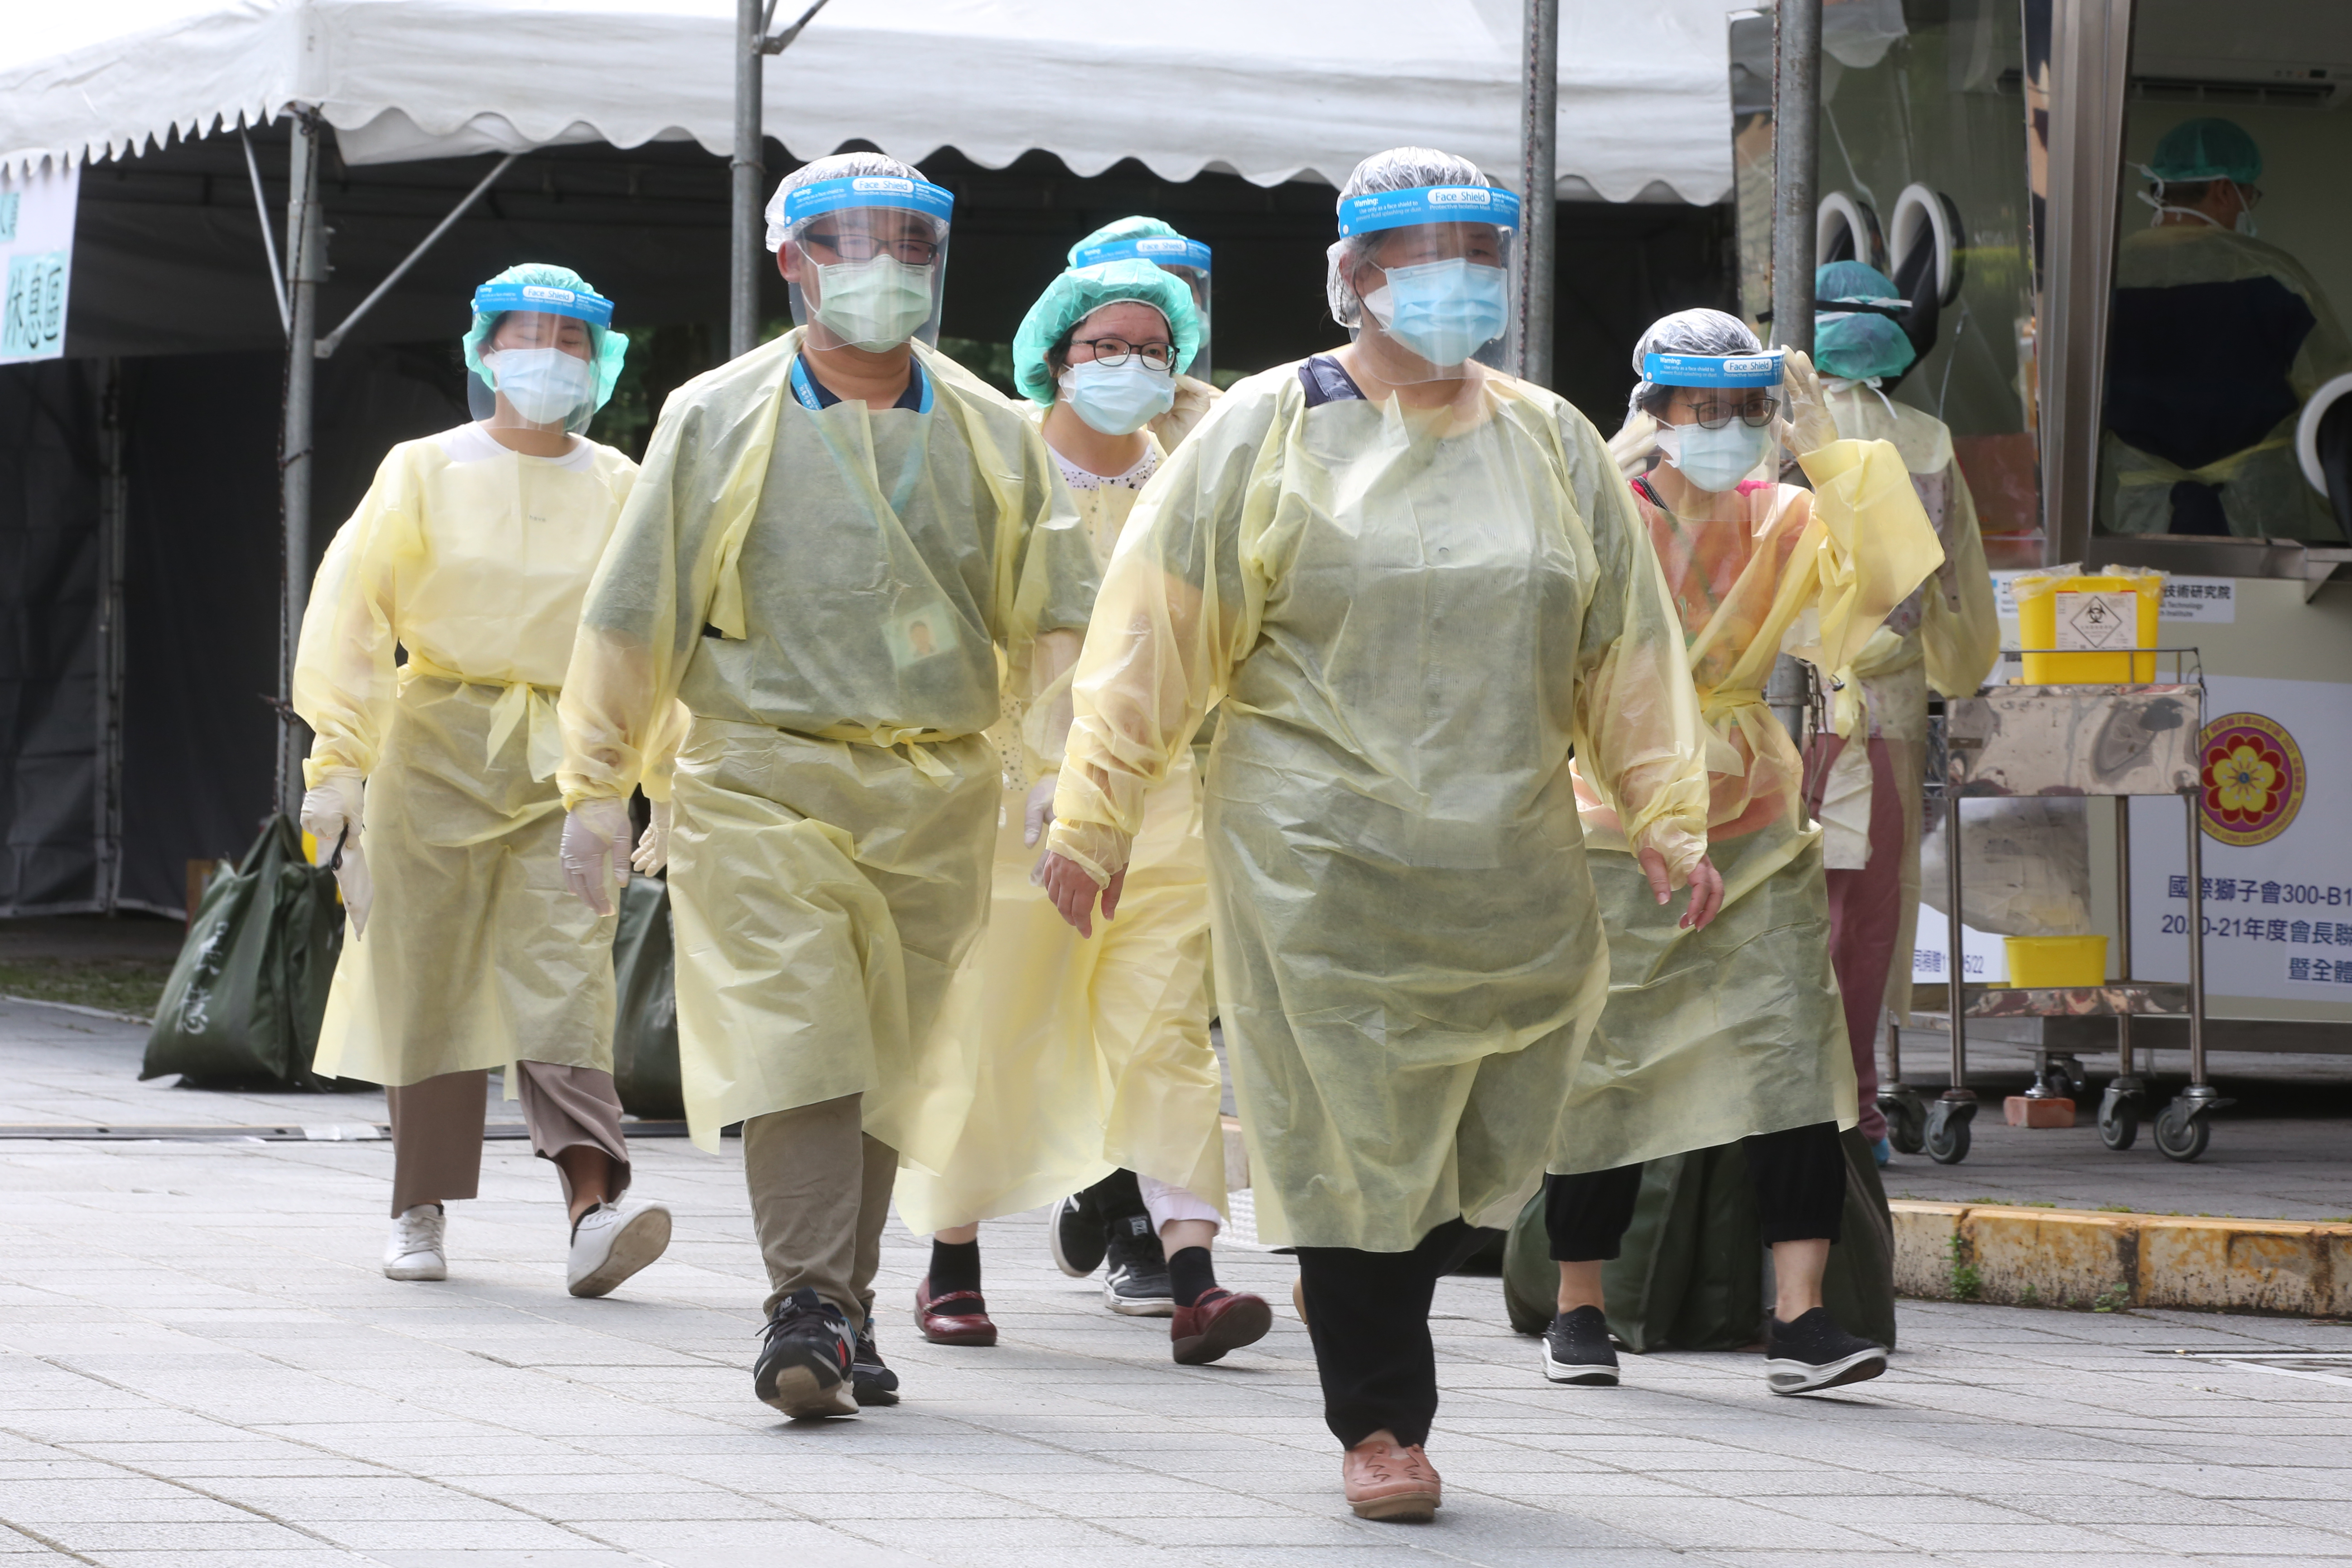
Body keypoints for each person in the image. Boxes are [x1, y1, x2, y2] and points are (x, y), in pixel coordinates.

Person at [1033, 147, 1721, 1523]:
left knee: (1486, 1129)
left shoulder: (1549, 439)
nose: (1455, 283)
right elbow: (1153, 634)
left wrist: (1665, 808)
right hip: (1312, 851)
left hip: (1506, 855)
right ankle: (1380, 1421)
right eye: (1421, 256)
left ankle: (1351, 1258)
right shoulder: (1261, 429)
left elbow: (1624, 648)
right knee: (1347, 1131)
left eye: (1479, 257)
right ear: (1352, 277)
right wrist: (1094, 810)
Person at [553, 154, 1099, 1421]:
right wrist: (599, 783)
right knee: (800, 1029)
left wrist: (1063, 769)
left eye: (910, 242)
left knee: (885, 1052)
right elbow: (639, 610)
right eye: (852, 242)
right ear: (790, 259)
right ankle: (802, 1297)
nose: (883, 266)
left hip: (935, 785)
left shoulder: (990, 429)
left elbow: (1061, 618)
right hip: (760, 772)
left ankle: (842, 1309)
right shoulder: (715, 415)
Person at [1540, 309, 1943, 1396]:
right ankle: (1579, 1303)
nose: (1722, 428)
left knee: (1791, 1053)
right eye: (1698, 408)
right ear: (1654, 412)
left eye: (1743, 409)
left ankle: (1801, 1316)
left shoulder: (1787, 515)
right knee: (1609, 1058)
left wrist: (1834, 453)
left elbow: (1889, 596)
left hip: (1753, 807)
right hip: (1614, 804)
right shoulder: (1607, 512)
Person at [891, 252, 1271, 1365]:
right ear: (1052, 357)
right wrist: (1010, 753)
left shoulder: (1198, 476)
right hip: (1015, 799)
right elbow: (939, 618)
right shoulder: (996, 461)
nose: (1128, 366)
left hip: (1160, 798)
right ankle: (949, 1259)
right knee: (990, 1020)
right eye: (1102, 346)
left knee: (1163, 1028)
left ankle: (1193, 1272)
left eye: (1151, 349)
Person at [295, 264, 675, 1298]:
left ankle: (593, 1212)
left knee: (569, 973)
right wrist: (337, 764)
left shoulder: (621, 484)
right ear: (483, 350)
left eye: (569, 340)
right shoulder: (424, 468)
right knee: (429, 971)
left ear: (599, 361)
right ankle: (417, 1205)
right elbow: (354, 616)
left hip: (571, 750)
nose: (546, 358)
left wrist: (664, 778)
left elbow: (655, 636)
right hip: (436, 741)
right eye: (526, 336)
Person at [1807, 261, 2001, 1164]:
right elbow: (1957, 591)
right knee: (1866, 919)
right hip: (1882, 713)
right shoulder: (1923, 442)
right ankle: (1858, 1113)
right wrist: (1959, 672)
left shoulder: (1768, 429)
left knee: (1784, 912)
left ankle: (1776, 1107)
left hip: (1768, 716)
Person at [2102, 116, 2351, 541]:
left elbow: (2045, 404)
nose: (2246, 208)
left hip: (2144, 522)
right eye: (2247, 195)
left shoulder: (2101, 282)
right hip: (2258, 519)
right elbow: (2335, 404)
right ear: (2222, 189)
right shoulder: (2273, 277)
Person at [1067, 216, 1221, 449]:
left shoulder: (1230, 412)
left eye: (1183, 286)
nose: (1169, 298)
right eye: (1146, 285)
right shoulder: (1027, 428)